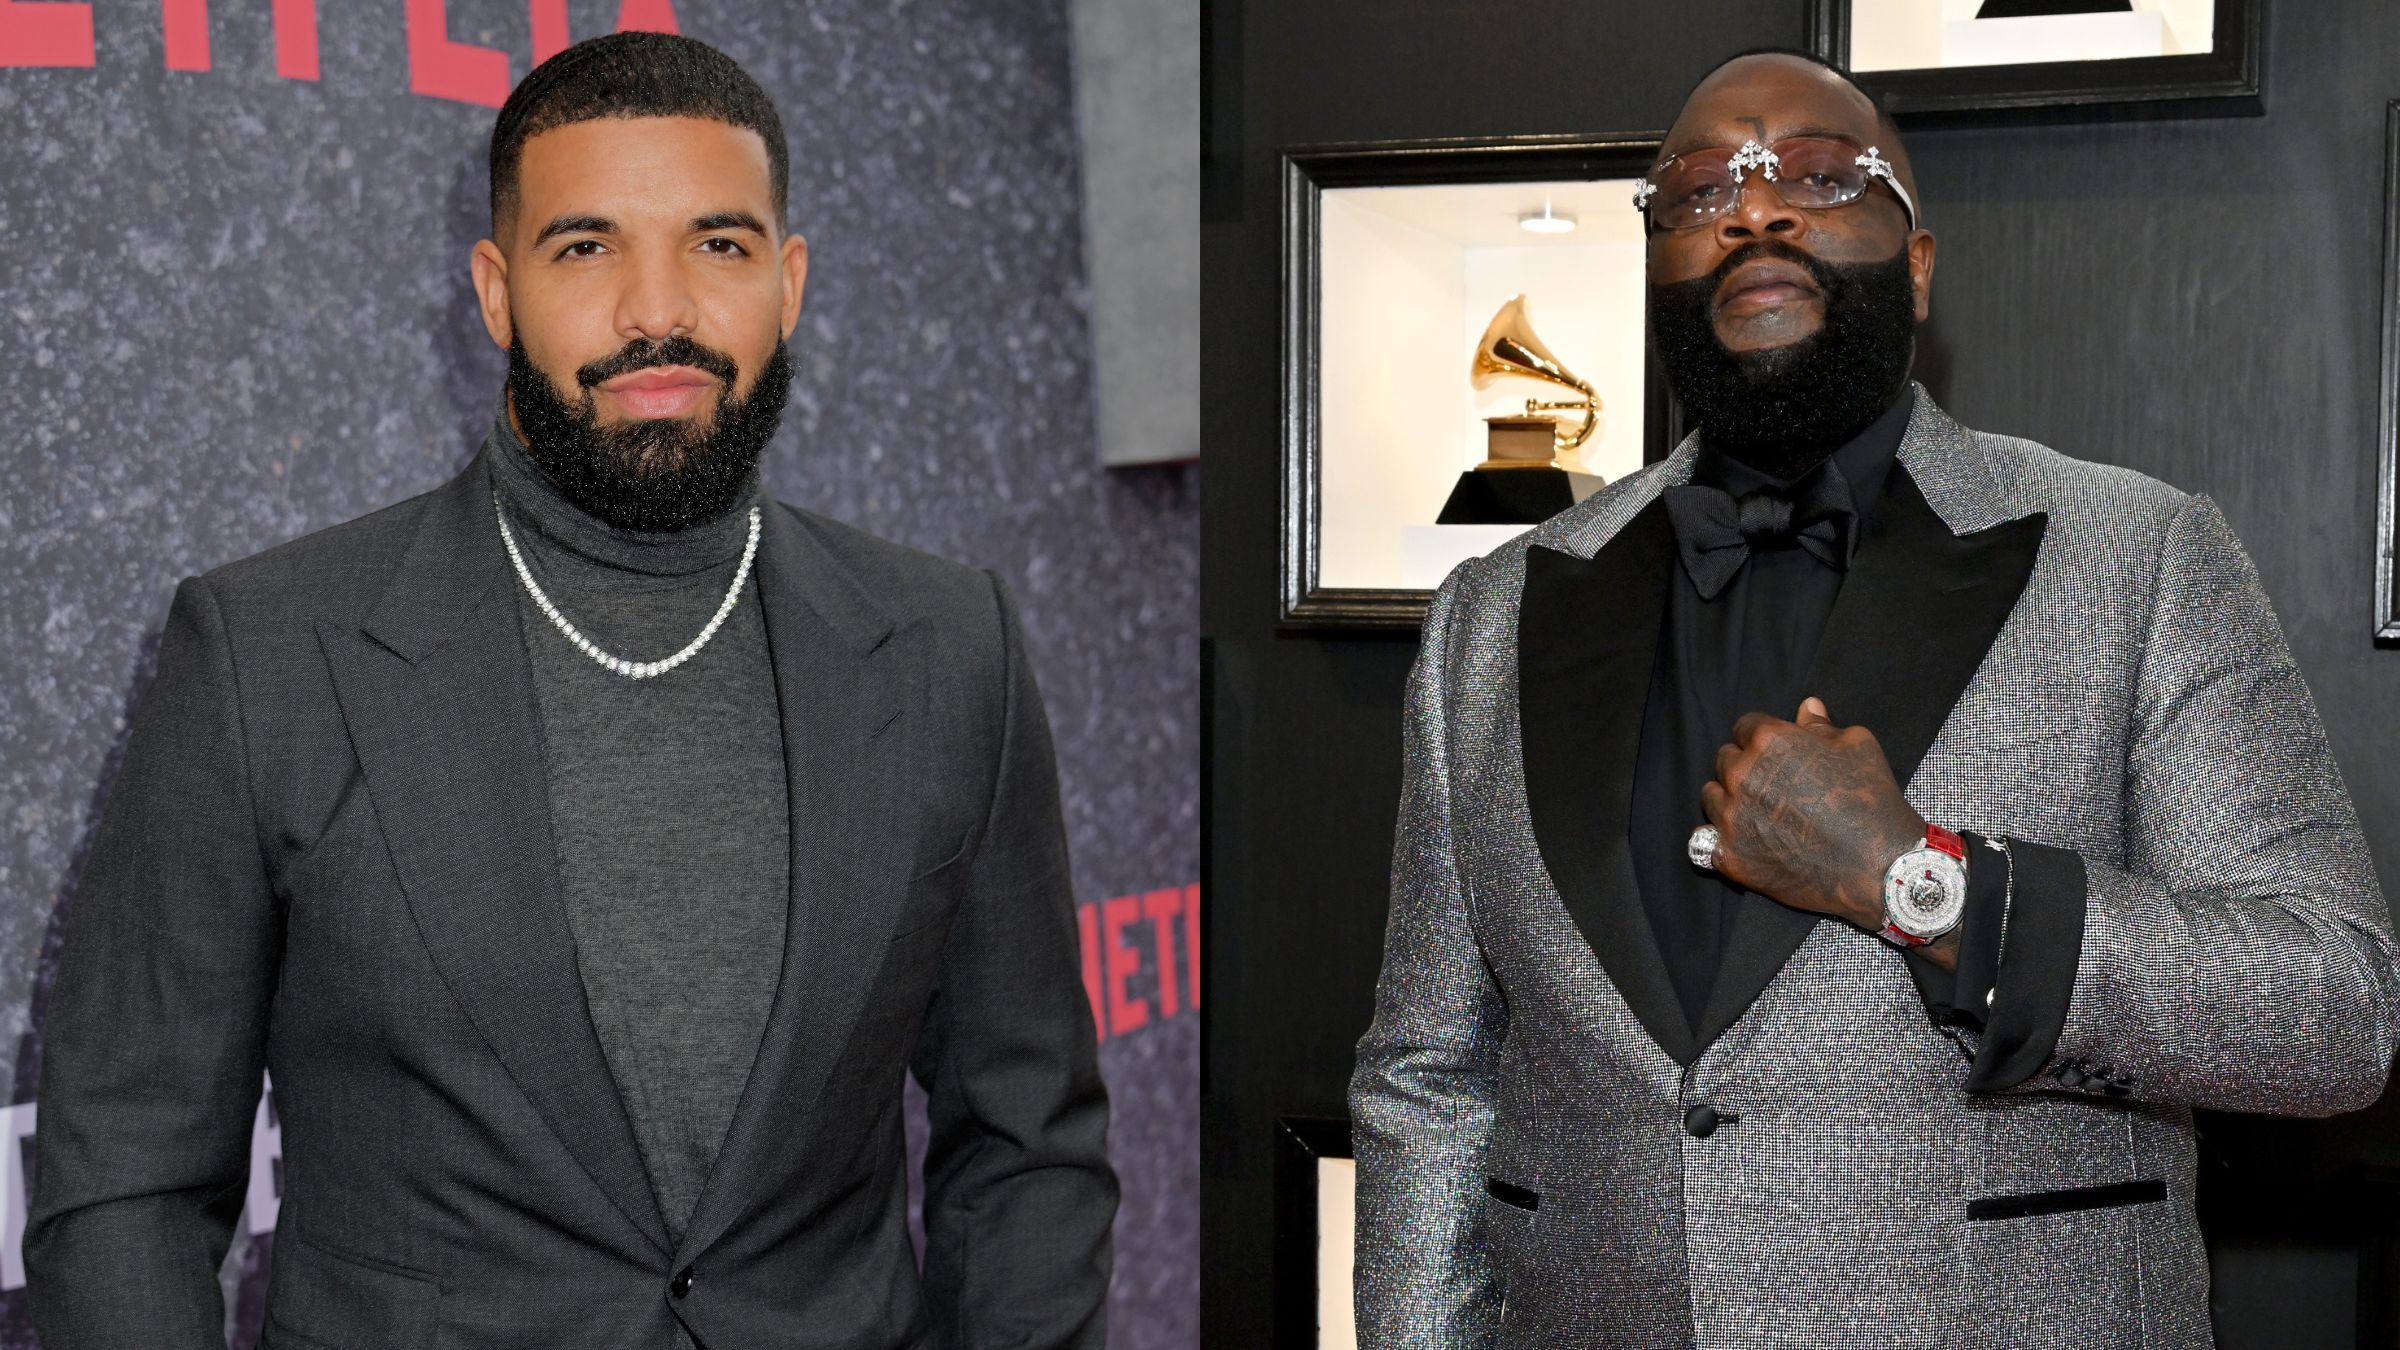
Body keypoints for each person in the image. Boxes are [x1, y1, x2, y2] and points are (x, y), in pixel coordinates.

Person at [27, 32, 1116, 1349]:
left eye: (718, 244)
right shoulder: (267, 651)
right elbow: (128, 1175)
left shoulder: (949, 644)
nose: (657, 309)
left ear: (789, 281)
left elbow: (1030, 1146)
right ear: (497, 293)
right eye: (587, 247)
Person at [1349, 47, 2397, 1347]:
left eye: (1819, 174)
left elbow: (2333, 1011)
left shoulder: (2141, 556)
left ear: (1918, 266)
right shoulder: (1492, 613)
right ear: (1656, 265)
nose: (1754, 207)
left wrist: (1922, 881)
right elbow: (1429, 1080)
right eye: (1700, 187)